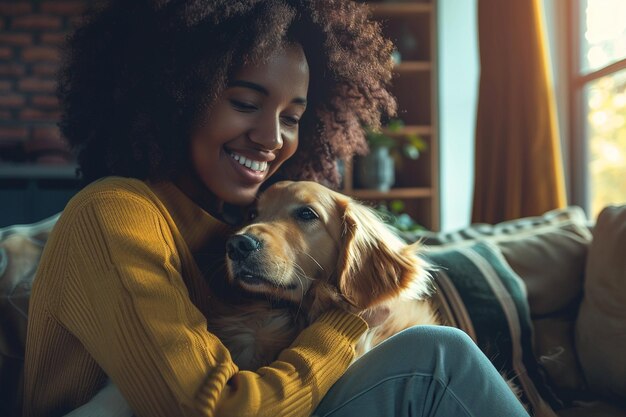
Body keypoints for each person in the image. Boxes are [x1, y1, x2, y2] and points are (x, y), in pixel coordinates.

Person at [23, 1, 531, 416]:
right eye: (245, 104)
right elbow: (212, 408)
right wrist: (347, 322)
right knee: (438, 361)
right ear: (176, 96)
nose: (272, 139)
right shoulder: (115, 213)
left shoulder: (232, 225)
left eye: (292, 117)